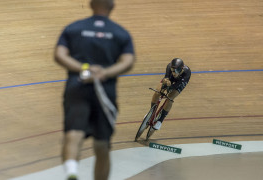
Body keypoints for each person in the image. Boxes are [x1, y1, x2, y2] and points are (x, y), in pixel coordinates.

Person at [54, 0, 135, 179]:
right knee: (102, 144)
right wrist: (104, 72)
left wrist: (84, 69)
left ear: (91, 4)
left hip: (77, 87)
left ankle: (71, 172)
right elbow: (128, 62)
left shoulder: (73, 28)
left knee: (73, 134)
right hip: (104, 92)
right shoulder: (120, 33)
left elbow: (59, 55)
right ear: (112, 5)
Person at [150, 58, 191, 130]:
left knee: (170, 98)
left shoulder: (187, 73)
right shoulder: (169, 66)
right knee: (157, 92)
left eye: (177, 70)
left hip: (180, 83)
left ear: (181, 69)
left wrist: (170, 88)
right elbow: (166, 78)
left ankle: (160, 121)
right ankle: (151, 113)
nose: (174, 72)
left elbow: (177, 85)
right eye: (173, 70)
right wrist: (166, 82)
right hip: (171, 79)